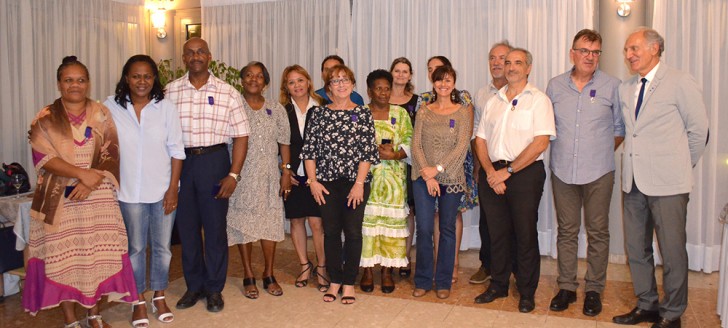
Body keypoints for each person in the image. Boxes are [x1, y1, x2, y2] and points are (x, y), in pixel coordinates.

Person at [25, 56, 138, 328]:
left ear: (88, 83)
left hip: (97, 196)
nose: (75, 85)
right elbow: (42, 157)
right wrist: (79, 174)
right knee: (65, 260)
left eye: (80, 80)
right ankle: (70, 320)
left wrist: (90, 181)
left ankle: (94, 314)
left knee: (96, 258)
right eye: (68, 80)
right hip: (59, 199)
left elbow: (110, 151)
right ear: (59, 84)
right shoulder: (45, 118)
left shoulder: (100, 112)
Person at [612, 28, 708, 328]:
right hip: (633, 183)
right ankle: (647, 304)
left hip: (669, 184)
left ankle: (672, 313)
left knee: (671, 250)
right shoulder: (626, 88)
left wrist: (680, 166)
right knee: (637, 250)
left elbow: (699, 131)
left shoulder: (680, 81)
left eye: (634, 48)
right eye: (627, 50)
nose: (629, 54)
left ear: (655, 48)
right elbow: (631, 133)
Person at [166, 37, 249, 313]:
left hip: (214, 162)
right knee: (187, 229)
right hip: (181, 164)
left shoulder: (228, 92)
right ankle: (194, 286)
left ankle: (214, 288)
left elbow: (241, 136)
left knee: (214, 230)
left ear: (209, 56)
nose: (195, 56)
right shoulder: (169, 92)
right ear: (183, 58)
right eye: (189, 52)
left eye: (201, 51)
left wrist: (233, 174)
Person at [545, 29, 624, 317]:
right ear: (572, 53)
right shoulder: (554, 86)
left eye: (595, 52)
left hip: (599, 172)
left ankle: (594, 290)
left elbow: (619, 130)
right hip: (563, 170)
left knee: (598, 233)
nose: (590, 57)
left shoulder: (613, 86)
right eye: (584, 51)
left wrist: (598, 151)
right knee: (566, 231)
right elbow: (547, 127)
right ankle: (566, 286)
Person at [104, 54, 185, 326]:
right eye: (136, 76)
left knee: (162, 247)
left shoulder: (166, 108)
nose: (142, 81)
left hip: (162, 189)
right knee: (135, 248)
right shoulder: (110, 108)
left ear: (154, 79)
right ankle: (138, 300)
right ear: (126, 78)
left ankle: (159, 296)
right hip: (128, 193)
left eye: (147, 76)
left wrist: (173, 188)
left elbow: (177, 151)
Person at [473, 48, 555, 313]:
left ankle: (527, 291)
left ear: (528, 68)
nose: (511, 67)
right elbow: (480, 139)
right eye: (507, 62)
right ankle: (498, 285)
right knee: (496, 233)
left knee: (524, 233)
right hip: (491, 173)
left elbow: (540, 142)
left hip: (524, 174)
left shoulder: (539, 100)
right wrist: (489, 172)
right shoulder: (493, 101)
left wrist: (506, 172)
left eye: (517, 62)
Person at [301, 64, 379, 305]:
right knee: (331, 232)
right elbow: (309, 151)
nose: (341, 84)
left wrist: (358, 184)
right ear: (328, 88)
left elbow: (367, 152)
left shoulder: (363, 113)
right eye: (336, 81)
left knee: (354, 232)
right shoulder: (319, 114)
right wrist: (312, 182)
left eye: (346, 80)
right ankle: (334, 280)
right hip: (326, 185)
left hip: (355, 184)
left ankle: (348, 283)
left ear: (353, 85)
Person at [227, 61, 291, 299]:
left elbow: (284, 143)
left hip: (269, 178)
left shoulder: (276, 108)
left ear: (266, 82)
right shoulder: (233, 108)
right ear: (241, 80)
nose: (254, 79)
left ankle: (268, 274)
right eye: (248, 75)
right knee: (244, 227)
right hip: (241, 177)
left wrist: (286, 172)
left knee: (270, 225)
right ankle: (247, 274)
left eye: (259, 76)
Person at [411, 65, 472, 300]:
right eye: (439, 80)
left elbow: (461, 147)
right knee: (425, 229)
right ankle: (423, 280)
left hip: (451, 177)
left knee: (447, 229)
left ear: (454, 83)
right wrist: (428, 175)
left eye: (447, 80)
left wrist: (437, 170)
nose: (443, 84)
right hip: (423, 177)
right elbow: (416, 144)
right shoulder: (424, 111)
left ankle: (444, 281)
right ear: (433, 83)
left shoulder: (462, 112)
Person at [359, 69, 413, 294]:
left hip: (394, 182)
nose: (383, 92)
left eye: (386, 88)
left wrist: (395, 154)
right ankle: (368, 270)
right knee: (367, 226)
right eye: (378, 88)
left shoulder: (400, 114)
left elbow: (410, 140)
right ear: (370, 91)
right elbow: (353, 143)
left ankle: (387, 271)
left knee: (391, 228)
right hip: (367, 180)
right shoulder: (359, 113)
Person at [279, 64, 330, 292]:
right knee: (296, 220)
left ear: (309, 82)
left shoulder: (323, 107)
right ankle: (304, 265)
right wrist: (286, 171)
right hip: (294, 176)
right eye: (291, 82)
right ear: (286, 87)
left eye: (300, 80)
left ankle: (322, 267)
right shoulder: (282, 111)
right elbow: (282, 145)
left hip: (318, 176)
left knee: (317, 222)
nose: (297, 85)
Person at [470, 41, 513, 285]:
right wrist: (479, 166)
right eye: (492, 58)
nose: (497, 63)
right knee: (487, 219)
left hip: (515, 166)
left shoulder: (523, 91)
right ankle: (487, 265)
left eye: (503, 58)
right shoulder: (482, 93)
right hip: (488, 164)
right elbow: (477, 133)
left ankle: (514, 268)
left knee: (515, 219)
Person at [388, 57, 420, 278]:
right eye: (397, 70)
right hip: (383, 165)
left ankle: (405, 256)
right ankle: (387, 255)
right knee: (388, 210)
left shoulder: (417, 101)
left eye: (404, 71)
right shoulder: (380, 97)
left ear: (410, 75)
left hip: (408, 163)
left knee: (408, 211)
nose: (400, 74)